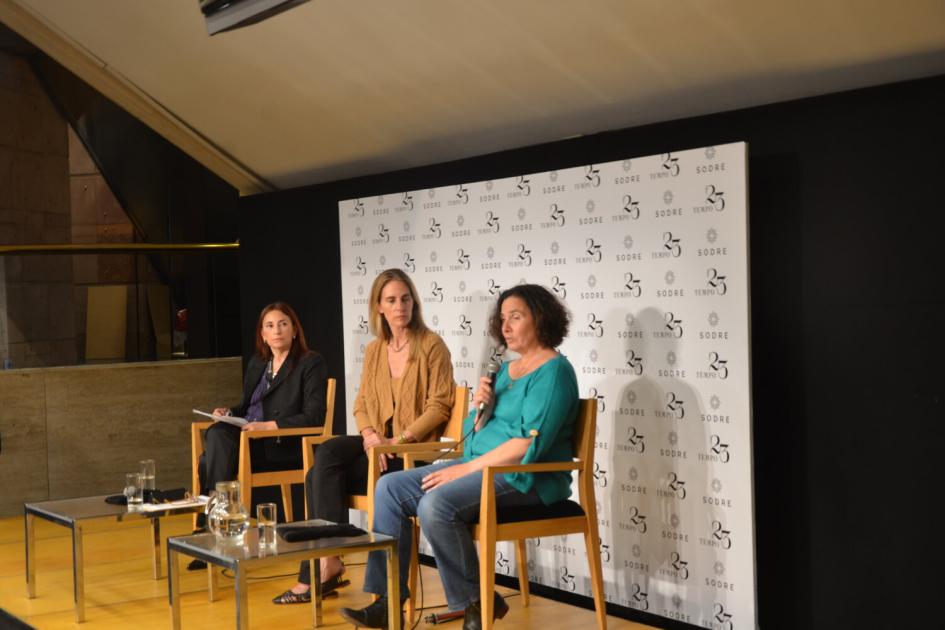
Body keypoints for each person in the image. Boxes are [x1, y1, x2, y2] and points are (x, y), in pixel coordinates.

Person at [339, 284, 578, 630]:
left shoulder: (554, 372)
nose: (506, 326)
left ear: (540, 319)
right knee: (389, 488)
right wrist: (483, 408)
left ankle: (474, 604)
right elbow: (473, 436)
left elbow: (526, 445)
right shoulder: (507, 372)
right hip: (479, 467)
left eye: (516, 317)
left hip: (526, 477)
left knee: (435, 505)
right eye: (503, 319)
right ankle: (387, 602)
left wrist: (464, 470)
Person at [272, 268, 455, 604]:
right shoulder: (375, 349)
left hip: (411, 452)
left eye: (405, 298)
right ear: (379, 307)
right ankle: (329, 558)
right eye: (391, 300)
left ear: (414, 302)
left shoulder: (432, 345)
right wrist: (371, 436)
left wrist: (396, 441)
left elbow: (440, 406)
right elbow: (361, 403)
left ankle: (324, 564)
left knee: (317, 473)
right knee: (327, 453)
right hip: (378, 445)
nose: (400, 306)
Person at [196, 301, 327, 534]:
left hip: (280, 443)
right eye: (270, 325)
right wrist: (228, 413)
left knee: (209, 457)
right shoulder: (258, 364)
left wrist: (270, 425)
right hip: (247, 439)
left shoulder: (309, 363)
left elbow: (314, 417)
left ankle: (212, 523)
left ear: (295, 330)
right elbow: (248, 407)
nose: (277, 330)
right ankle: (218, 520)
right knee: (216, 433)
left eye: (283, 324)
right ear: (263, 334)